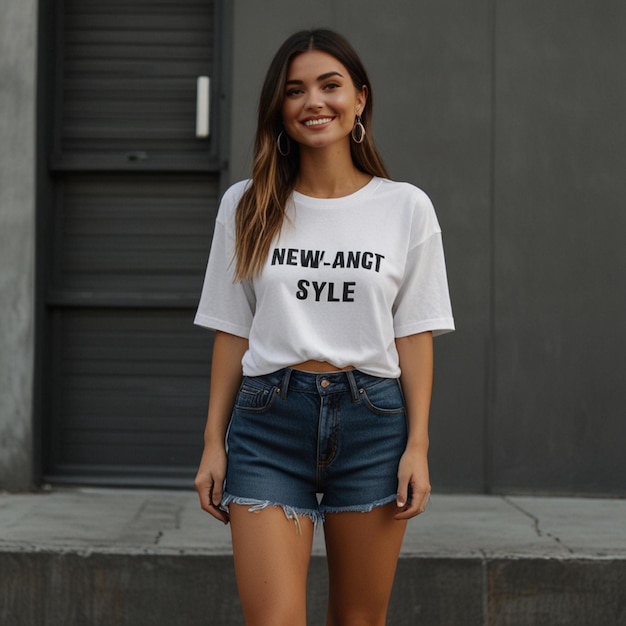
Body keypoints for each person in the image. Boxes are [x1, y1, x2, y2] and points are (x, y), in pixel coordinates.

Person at [194, 28, 454, 626]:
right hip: (267, 425)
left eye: (330, 85)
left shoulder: (405, 207)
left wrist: (418, 446)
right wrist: (213, 442)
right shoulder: (247, 204)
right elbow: (232, 329)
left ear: (360, 98)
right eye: (295, 90)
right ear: (279, 111)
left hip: (373, 425)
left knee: (359, 619)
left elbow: (414, 333)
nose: (314, 101)